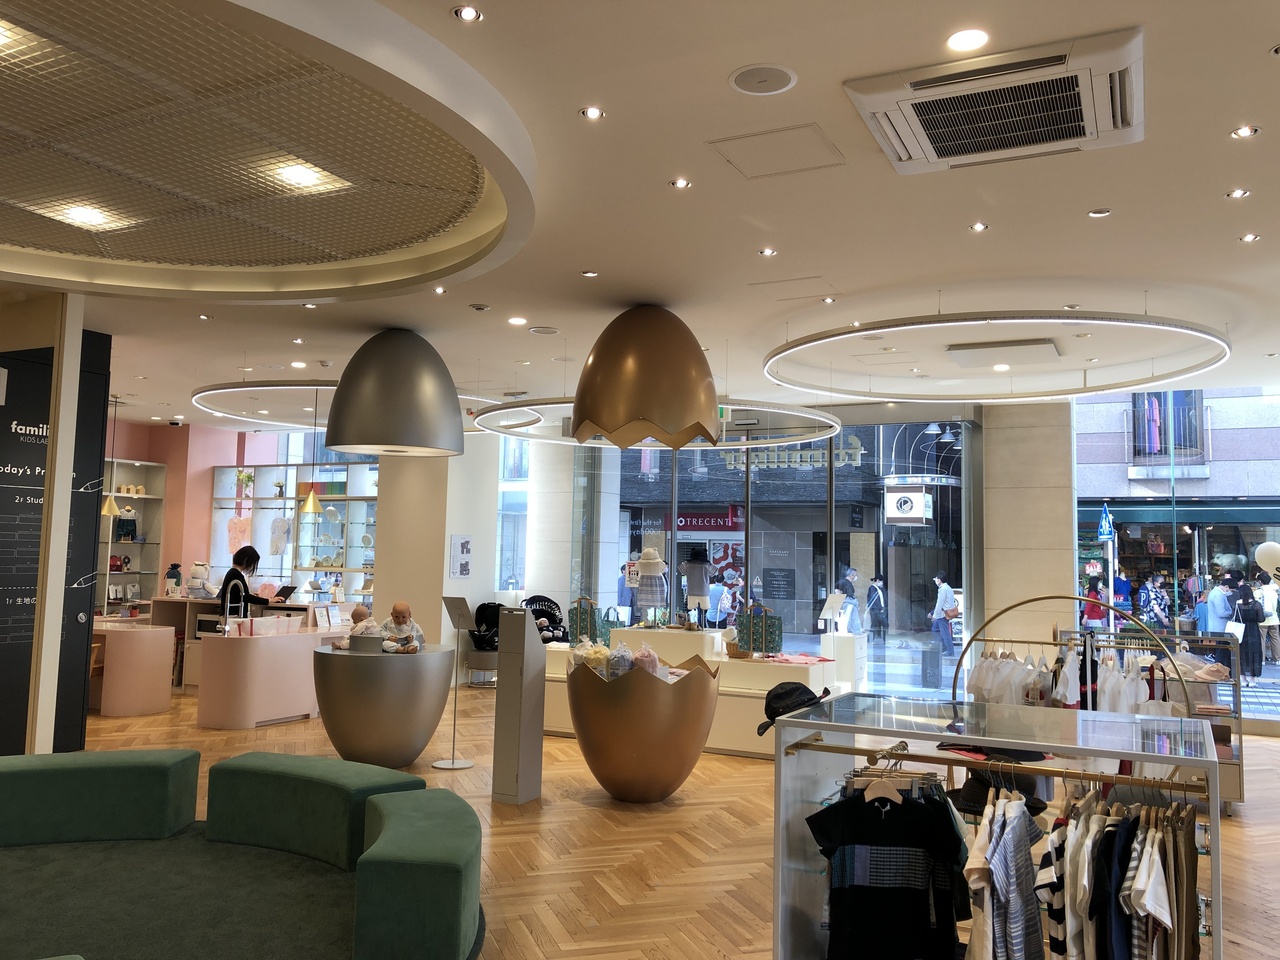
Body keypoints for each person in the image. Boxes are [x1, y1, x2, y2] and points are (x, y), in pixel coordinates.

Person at [217, 545, 285, 618]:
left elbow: (240, 595)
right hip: (233, 616)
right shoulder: (236, 575)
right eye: (252, 563)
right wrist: (269, 600)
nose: (252, 567)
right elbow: (246, 597)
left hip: (231, 615)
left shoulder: (233, 573)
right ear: (246, 560)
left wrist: (253, 596)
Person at [1235, 584, 1265, 686]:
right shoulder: (1256, 604)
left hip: (1240, 631)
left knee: (1241, 654)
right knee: (1254, 654)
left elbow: (1234, 617)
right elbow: (1261, 619)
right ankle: (1253, 679)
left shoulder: (1237, 604)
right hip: (1253, 632)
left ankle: (1243, 679)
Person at [679, 546, 713, 628]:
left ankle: (694, 626)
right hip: (704, 591)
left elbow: (680, 570)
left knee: (692, 612)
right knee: (703, 611)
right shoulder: (707, 565)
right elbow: (714, 572)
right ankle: (702, 626)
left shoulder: (687, 564)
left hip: (691, 590)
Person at [928, 571, 957, 656]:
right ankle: (944, 648)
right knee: (936, 629)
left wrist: (934, 615)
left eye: (936, 579)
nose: (935, 581)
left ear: (939, 580)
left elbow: (939, 603)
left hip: (942, 614)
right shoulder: (948, 588)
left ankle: (949, 651)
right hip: (945, 613)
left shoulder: (943, 589)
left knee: (945, 633)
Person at [1257, 571, 1280, 663]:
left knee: (1261, 639)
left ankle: (1262, 660)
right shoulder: (1274, 592)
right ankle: (1277, 659)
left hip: (1262, 619)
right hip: (1274, 618)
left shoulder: (1258, 592)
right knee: (1275, 639)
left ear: (1260, 581)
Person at [864, 574, 887, 645]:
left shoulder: (879, 589)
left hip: (880, 610)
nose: (882, 583)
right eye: (881, 581)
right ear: (877, 580)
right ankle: (871, 639)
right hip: (875, 610)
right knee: (875, 625)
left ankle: (880, 639)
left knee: (881, 624)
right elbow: (875, 600)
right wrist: (880, 608)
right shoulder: (872, 588)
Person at [838, 567, 861, 634]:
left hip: (852, 603)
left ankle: (853, 631)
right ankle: (848, 631)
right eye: (855, 575)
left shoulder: (849, 583)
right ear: (851, 575)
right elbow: (838, 592)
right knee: (848, 618)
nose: (855, 576)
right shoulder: (843, 582)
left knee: (853, 618)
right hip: (848, 603)